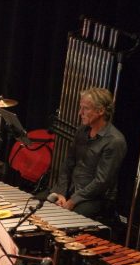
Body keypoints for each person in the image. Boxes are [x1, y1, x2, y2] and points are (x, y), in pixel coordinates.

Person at [50, 87, 127, 219]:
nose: (80, 113)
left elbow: (101, 182)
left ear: (101, 111)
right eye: (81, 108)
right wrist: (61, 193)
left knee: (65, 219)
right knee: (36, 205)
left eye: (85, 108)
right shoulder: (82, 131)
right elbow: (68, 164)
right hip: (71, 191)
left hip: (95, 199)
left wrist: (73, 200)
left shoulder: (115, 141)